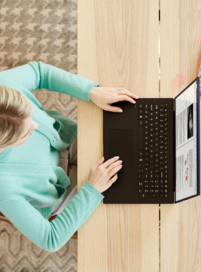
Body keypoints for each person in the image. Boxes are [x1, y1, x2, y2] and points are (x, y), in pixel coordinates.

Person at [0, 62, 138, 251]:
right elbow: (50, 240)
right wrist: (92, 189)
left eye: (31, 116)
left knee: (136, 146)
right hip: (59, 192)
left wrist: (90, 91)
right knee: (133, 202)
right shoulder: (3, 189)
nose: (36, 126)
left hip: (67, 137)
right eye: (26, 133)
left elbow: (39, 71)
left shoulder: (5, 86)